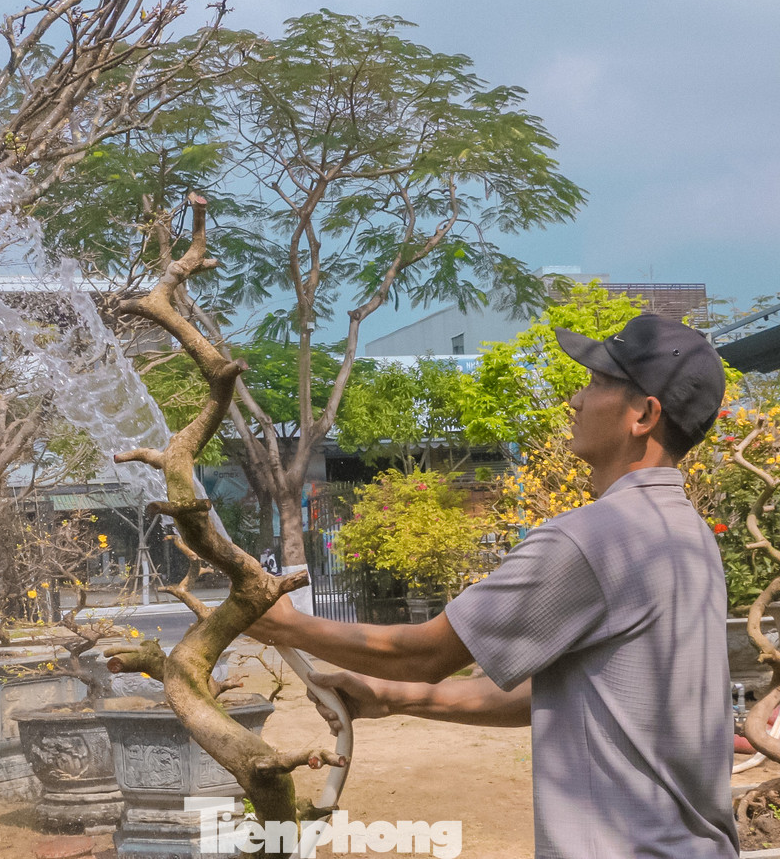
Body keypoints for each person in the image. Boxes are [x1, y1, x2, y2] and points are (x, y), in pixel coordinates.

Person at [250, 313, 738, 859]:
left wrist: (282, 624)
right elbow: (560, 694)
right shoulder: (688, 534)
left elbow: (425, 652)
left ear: (644, 415)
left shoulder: (593, 537)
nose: (575, 399)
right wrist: (395, 696)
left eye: (598, 383)